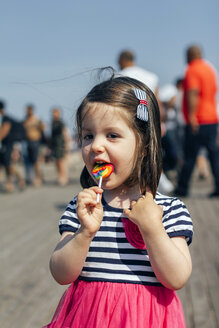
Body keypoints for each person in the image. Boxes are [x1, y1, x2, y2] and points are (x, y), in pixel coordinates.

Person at [44, 76, 193, 328]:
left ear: (144, 144)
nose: (96, 146)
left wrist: (153, 229)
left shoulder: (168, 210)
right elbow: (61, 273)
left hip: (147, 318)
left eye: (112, 135)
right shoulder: (83, 207)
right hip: (88, 317)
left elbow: (176, 278)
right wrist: (83, 234)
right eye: (88, 136)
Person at [174, 45, 219, 197]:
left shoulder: (192, 69)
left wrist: (192, 116)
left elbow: (193, 93)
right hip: (212, 119)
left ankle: (182, 189)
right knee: (214, 156)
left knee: (189, 157)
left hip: (198, 120)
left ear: (189, 55)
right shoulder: (209, 69)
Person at [0, 100, 25, 192]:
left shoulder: (6, 118)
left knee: (8, 165)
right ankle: (10, 183)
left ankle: (18, 181)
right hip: (5, 145)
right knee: (5, 165)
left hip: (10, 145)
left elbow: (4, 132)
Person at [23, 104, 44, 186]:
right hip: (27, 141)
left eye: (28, 110)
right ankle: (30, 178)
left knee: (35, 161)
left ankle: (38, 177)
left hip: (35, 141)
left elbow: (43, 128)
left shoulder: (36, 119)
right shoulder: (25, 120)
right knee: (28, 161)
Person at [50, 108, 69, 186]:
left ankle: (64, 177)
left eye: (56, 113)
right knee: (56, 162)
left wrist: (67, 146)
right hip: (54, 145)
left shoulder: (61, 123)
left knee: (61, 162)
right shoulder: (52, 123)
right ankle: (59, 176)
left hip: (61, 145)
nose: (54, 115)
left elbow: (65, 135)